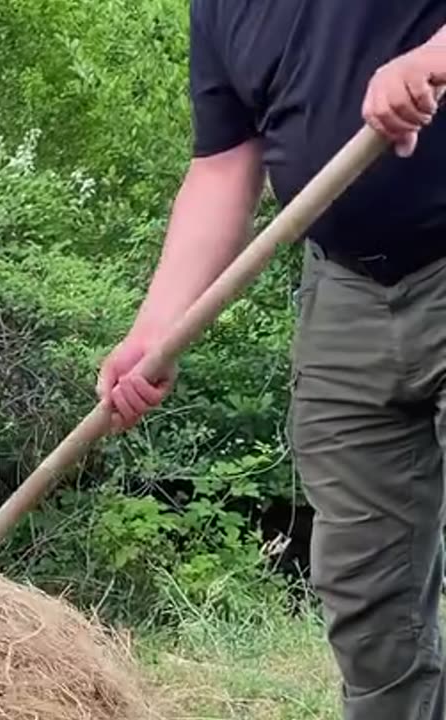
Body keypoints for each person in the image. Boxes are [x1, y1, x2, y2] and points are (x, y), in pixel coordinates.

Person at [98, 1, 446, 717]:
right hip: (346, 287)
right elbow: (225, 165)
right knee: (367, 598)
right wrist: (158, 330)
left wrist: (433, 56)